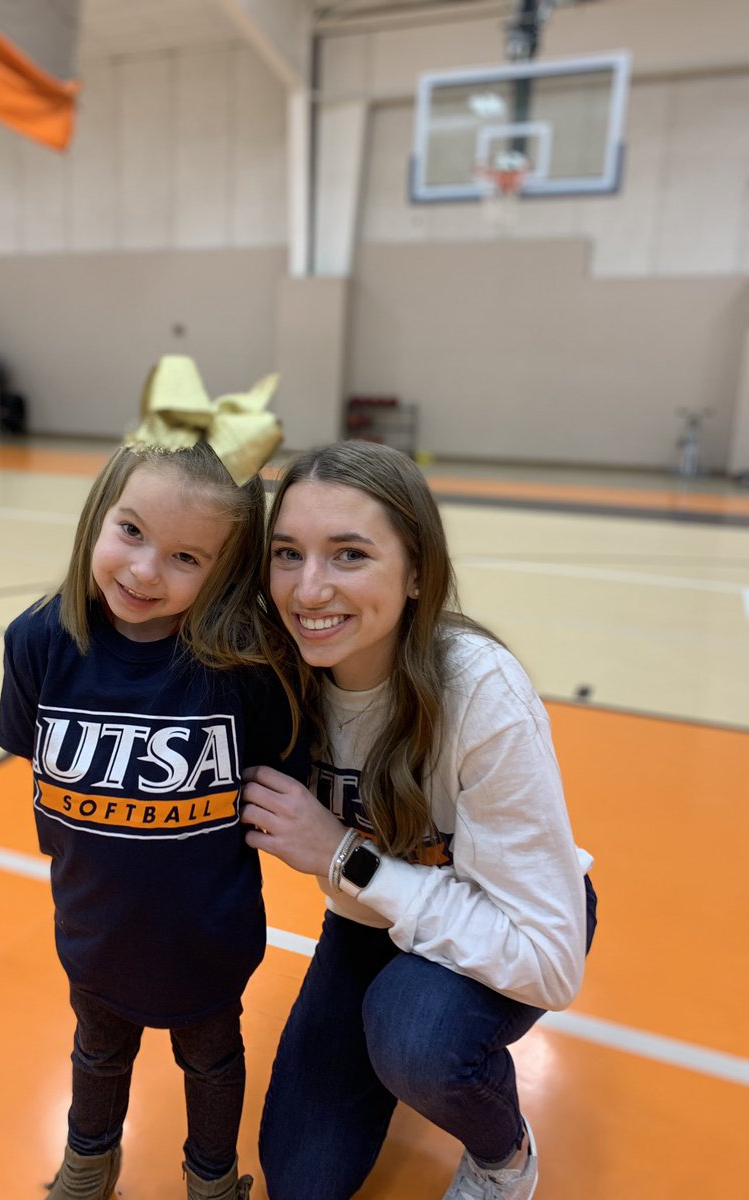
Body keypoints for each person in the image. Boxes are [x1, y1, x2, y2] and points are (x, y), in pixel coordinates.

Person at [241, 441, 597, 1200]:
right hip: (373, 919)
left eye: (349, 555)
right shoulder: (276, 674)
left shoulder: (480, 693)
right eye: (287, 553)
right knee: (301, 1182)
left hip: (511, 910)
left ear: (415, 575)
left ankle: (505, 1156)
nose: (308, 589)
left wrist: (341, 858)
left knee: (417, 1037)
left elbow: (552, 960)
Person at [0, 440, 306, 1200]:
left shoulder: (249, 668)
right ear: (99, 516)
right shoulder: (38, 640)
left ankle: (211, 1178)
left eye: (185, 558)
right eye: (130, 532)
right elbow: (41, 776)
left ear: (225, 571)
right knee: (97, 1052)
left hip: (206, 941)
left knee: (212, 1060)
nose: (142, 571)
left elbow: (280, 794)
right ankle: (88, 1166)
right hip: (94, 931)